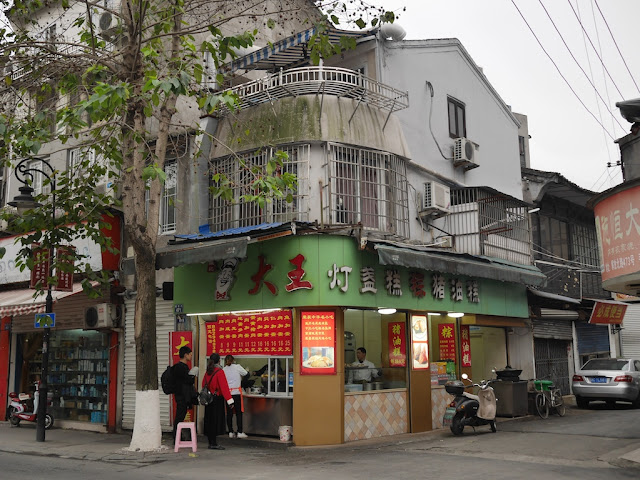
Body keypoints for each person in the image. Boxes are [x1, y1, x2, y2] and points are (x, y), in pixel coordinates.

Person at [202, 353, 234, 450]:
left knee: (209, 421)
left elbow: (203, 384)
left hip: (208, 400)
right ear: (219, 361)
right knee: (216, 421)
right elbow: (224, 388)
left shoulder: (208, 372)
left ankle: (210, 442)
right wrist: (230, 401)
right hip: (216, 400)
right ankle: (214, 443)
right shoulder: (219, 371)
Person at [172, 346, 198, 441]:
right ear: (185, 355)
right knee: (179, 416)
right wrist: (192, 375)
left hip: (182, 396)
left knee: (181, 416)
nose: (191, 356)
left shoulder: (183, 367)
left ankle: (178, 436)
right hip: (181, 396)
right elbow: (186, 381)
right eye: (190, 354)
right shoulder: (179, 367)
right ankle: (176, 437)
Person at [223, 355, 248, 438]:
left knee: (229, 413)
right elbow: (245, 373)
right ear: (233, 360)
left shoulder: (224, 370)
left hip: (228, 394)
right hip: (236, 393)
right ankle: (240, 432)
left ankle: (230, 431)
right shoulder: (237, 367)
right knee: (238, 413)